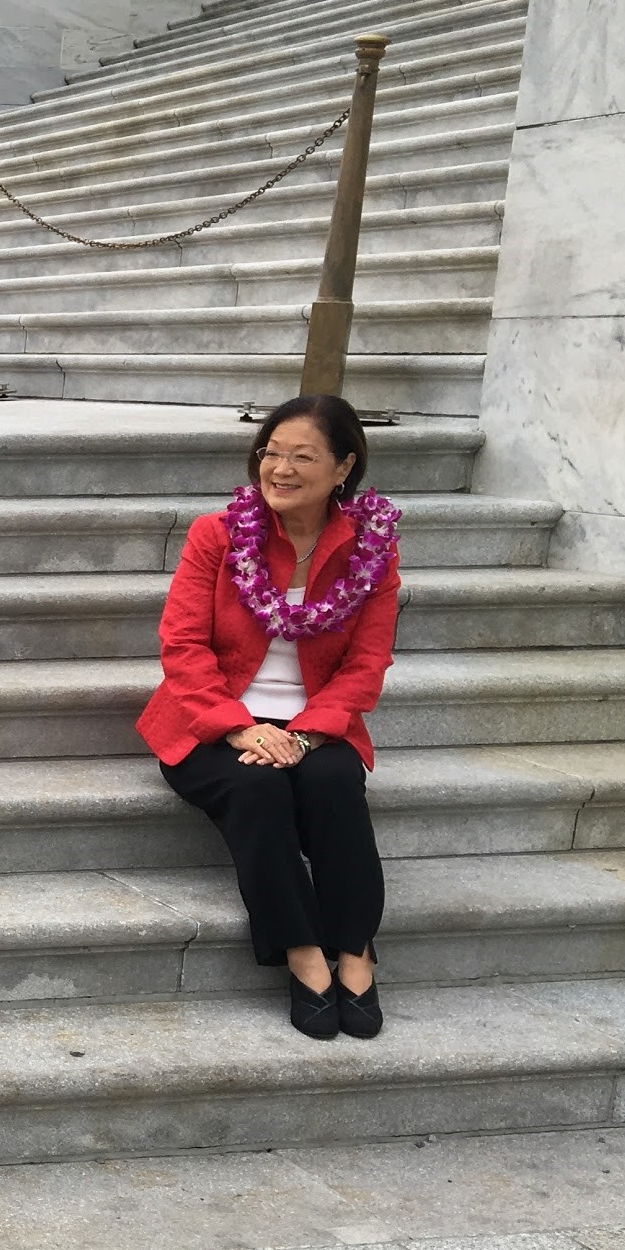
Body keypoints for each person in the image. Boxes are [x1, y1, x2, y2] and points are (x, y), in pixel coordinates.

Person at [136, 393, 401, 1041]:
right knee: (256, 786)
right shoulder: (218, 535)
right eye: (271, 453)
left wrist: (305, 735)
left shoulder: (372, 553)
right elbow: (183, 646)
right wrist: (239, 727)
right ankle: (304, 953)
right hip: (210, 718)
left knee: (333, 782)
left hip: (318, 720)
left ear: (344, 467)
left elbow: (366, 665)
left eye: (301, 456)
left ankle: (356, 948)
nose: (279, 468)